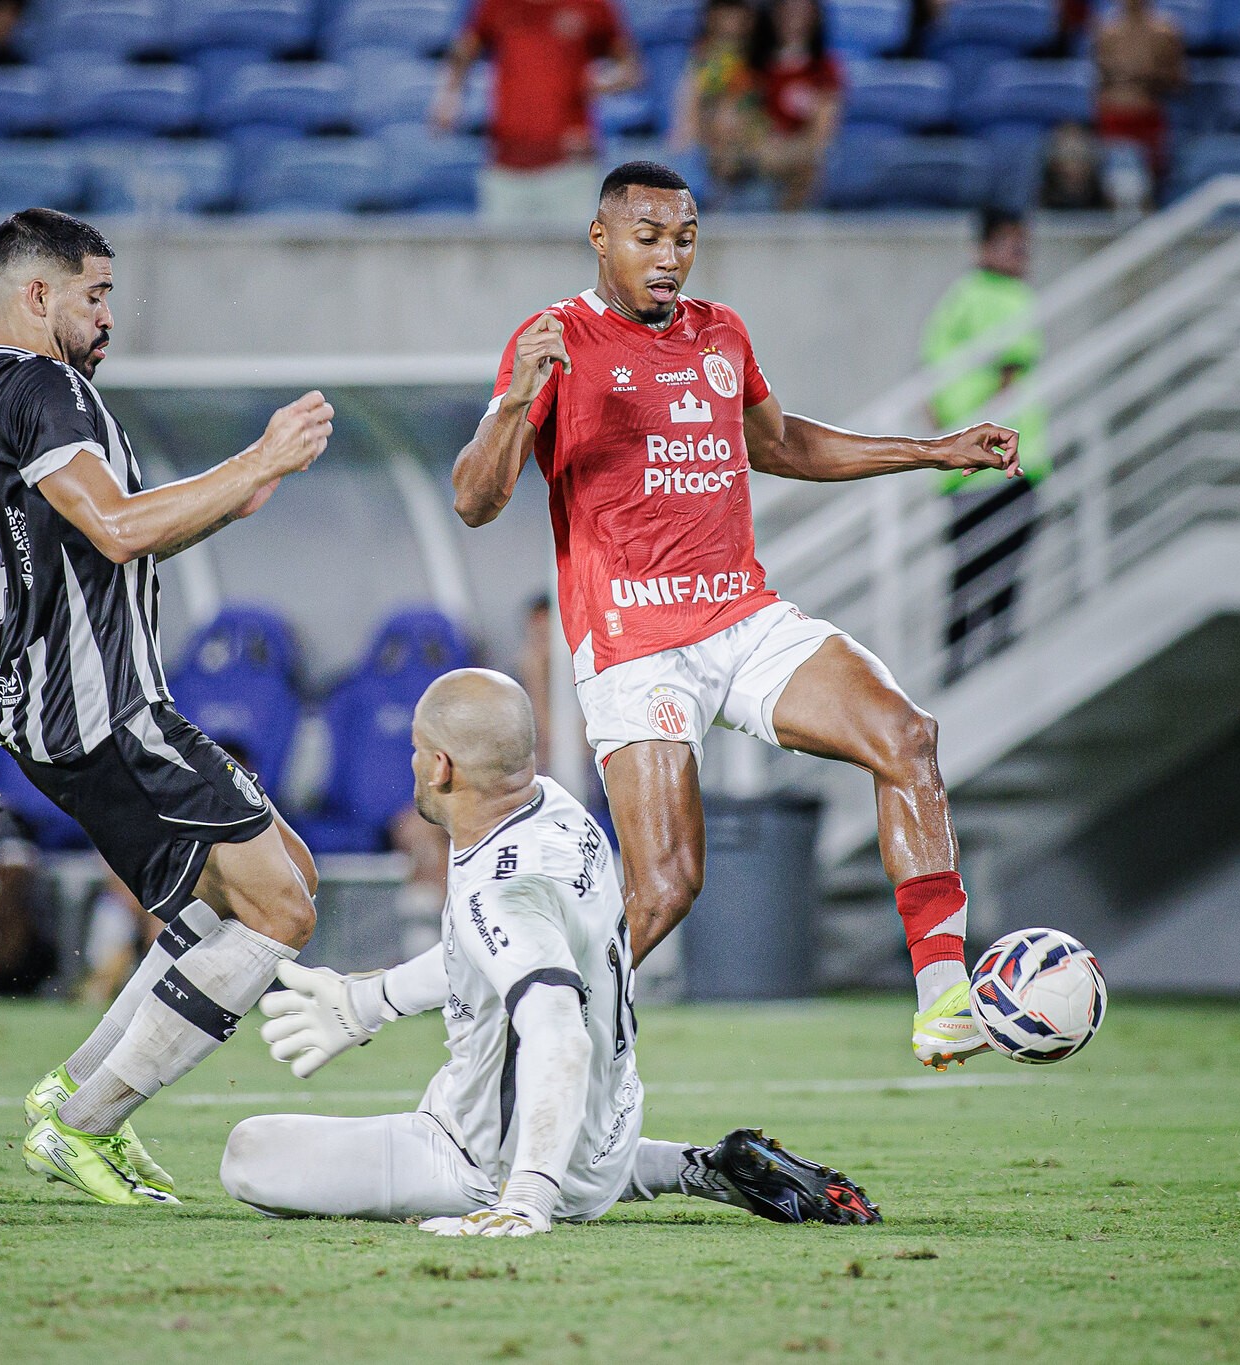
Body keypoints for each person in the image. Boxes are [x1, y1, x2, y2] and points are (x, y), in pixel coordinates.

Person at [450, 161, 1020, 1072]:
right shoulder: (555, 338)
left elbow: (781, 443)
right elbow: (475, 500)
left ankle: (943, 996)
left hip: (742, 616)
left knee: (905, 735)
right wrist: (519, 395)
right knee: (668, 886)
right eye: (649, 237)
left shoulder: (722, 335)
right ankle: (520, 1044)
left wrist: (932, 450)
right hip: (635, 640)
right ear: (601, 239)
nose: (670, 255)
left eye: (684, 237)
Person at [0, 208, 331, 1206]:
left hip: (71, 703)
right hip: (98, 710)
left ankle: (76, 1088)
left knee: (279, 875)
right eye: (95, 295)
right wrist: (260, 459)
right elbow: (118, 531)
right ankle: (85, 1123)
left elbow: (106, 543)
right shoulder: (45, 387)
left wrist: (224, 500)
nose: (110, 316)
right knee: (279, 908)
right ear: (37, 295)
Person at [224, 668, 882, 1233]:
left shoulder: (499, 886)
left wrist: (527, 1196)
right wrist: (372, 1000)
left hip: (489, 1162)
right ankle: (681, 1166)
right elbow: (491, 953)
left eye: (418, 749)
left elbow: (557, 1031)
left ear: (441, 765)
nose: (413, 763)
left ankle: (538, 1187)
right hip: (606, 1134)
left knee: (248, 1152)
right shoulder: (559, 811)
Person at [922, 207, 1047, 681]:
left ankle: (960, 673)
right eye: (1013, 243)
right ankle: (990, 668)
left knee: (970, 577)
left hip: (970, 468)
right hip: (1005, 464)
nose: (1022, 254)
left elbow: (931, 393)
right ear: (986, 246)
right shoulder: (1011, 298)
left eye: (1024, 244)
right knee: (995, 577)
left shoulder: (954, 302)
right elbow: (1010, 376)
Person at [431, 0, 643, 227]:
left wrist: (605, 81)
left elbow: (631, 68)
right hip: (506, 162)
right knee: (504, 256)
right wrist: (448, 99)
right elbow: (463, 51)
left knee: (572, 257)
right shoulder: (495, 5)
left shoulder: (591, 6)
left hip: (570, 165)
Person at [748, 0, 843, 211]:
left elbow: (823, 131)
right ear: (775, 16)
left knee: (812, 168)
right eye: (787, 12)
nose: (794, 21)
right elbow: (749, 117)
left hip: (803, 156)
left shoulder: (825, 69)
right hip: (760, 154)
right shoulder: (756, 67)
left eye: (801, 13)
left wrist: (789, 152)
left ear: (815, 18)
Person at [669, 0, 763, 204]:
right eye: (725, 16)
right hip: (712, 141)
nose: (730, 23)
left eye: (736, 16)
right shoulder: (702, 59)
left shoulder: (759, 58)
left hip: (750, 139)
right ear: (711, 19)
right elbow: (688, 104)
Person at [1091, 0, 1185, 192]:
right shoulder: (1107, 32)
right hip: (1113, 117)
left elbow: (1178, 81)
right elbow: (1099, 82)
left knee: (1149, 183)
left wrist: (1145, 76)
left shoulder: (1165, 33)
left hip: (1147, 116)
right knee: (1114, 180)